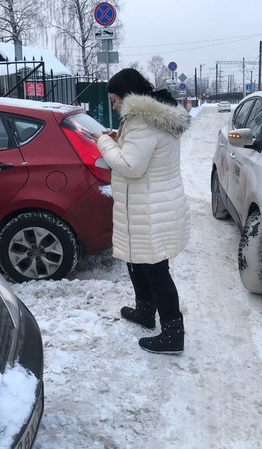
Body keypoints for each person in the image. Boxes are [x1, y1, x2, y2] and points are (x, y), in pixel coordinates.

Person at [91, 68, 190, 354]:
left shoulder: (141, 123)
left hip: (149, 208)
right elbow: (142, 156)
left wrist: (105, 142)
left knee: (155, 269)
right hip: (153, 204)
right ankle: (145, 311)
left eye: (114, 100)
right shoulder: (156, 118)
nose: (113, 106)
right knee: (139, 262)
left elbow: (131, 166)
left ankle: (173, 333)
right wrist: (119, 140)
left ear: (126, 95)